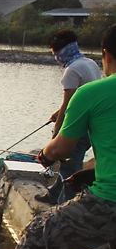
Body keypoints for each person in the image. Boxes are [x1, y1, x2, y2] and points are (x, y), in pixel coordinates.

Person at [0, 24, 116, 249]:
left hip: (109, 201)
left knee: (39, 233)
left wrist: (45, 154)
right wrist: (91, 170)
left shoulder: (93, 92)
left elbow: (60, 149)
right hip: (104, 184)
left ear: (106, 55)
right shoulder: (87, 75)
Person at [37, 29, 102, 203]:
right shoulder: (89, 63)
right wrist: (57, 113)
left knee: (69, 168)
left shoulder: (71, 70)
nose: (56, 58)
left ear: (60, 51)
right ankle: (52, 196)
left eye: (54, 53)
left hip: (79, 127)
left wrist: (56, 134)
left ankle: (63, 206)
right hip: (93, 125)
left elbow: (68, 105)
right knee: (69, 165)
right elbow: (80, 99)